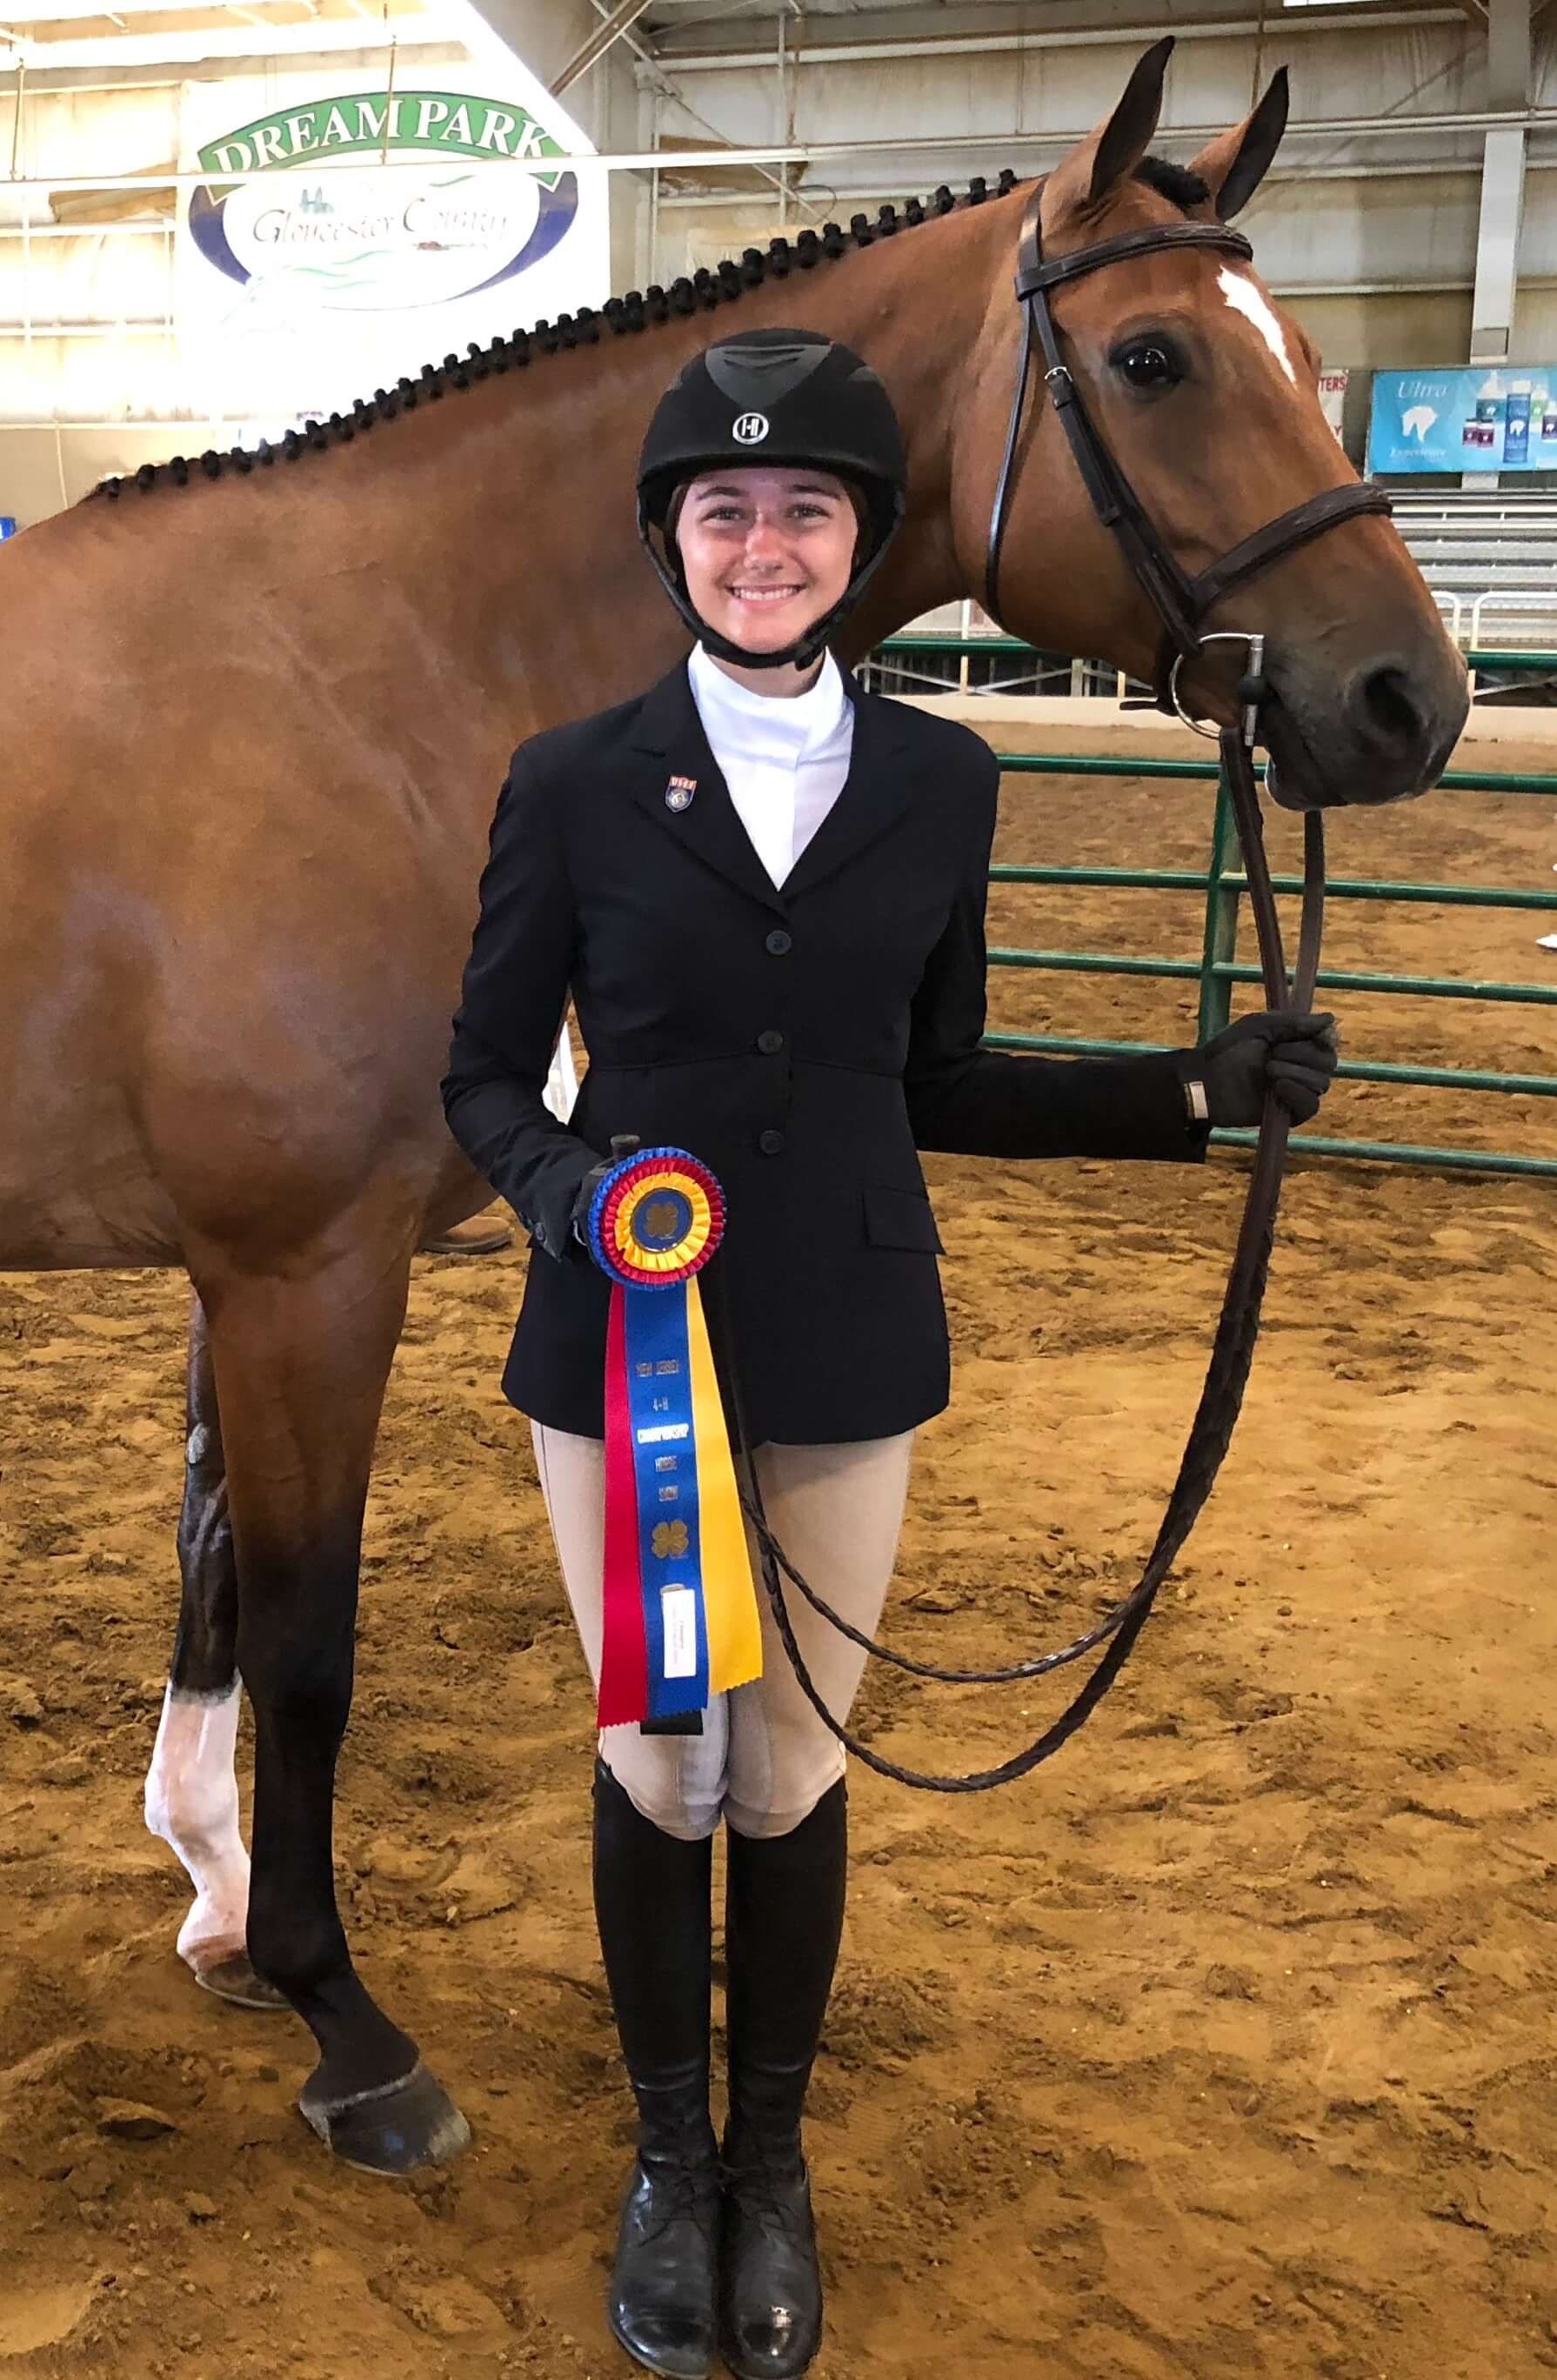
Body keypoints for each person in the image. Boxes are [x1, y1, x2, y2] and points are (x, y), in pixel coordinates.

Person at [440, 327, 1337, 2379]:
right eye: (722, 511)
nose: (761, 545)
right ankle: (669, 2163)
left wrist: (1183, 1095)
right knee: (656, 1759)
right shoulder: (568, 780)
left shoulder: (946, 774)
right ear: (671, 536)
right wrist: (575, 1197)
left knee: (787, 1765)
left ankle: (773, 2159)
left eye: (804, 511)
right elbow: (481, 1074)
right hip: (620, 1349)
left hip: (847, 1331)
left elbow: (933, 1073)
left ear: (858, 542)